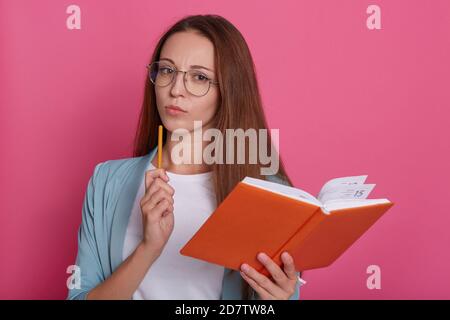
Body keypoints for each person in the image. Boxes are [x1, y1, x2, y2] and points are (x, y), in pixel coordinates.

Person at [67, 14, 302, 300]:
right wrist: (148, 249)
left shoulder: (271, 193)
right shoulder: (106, 181)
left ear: (229, 91)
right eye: (166, 71)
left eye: (199, 77)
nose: (175, 90)